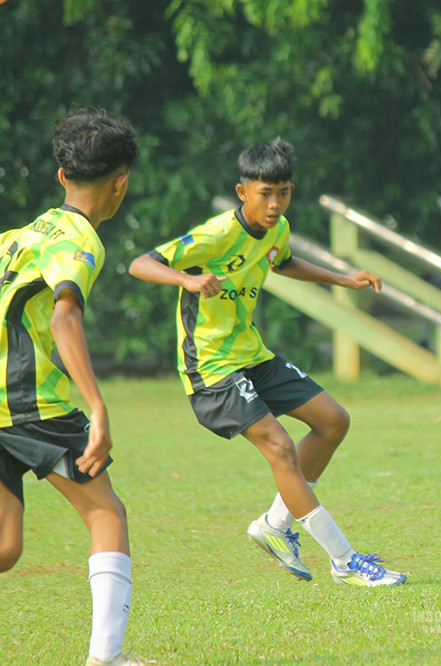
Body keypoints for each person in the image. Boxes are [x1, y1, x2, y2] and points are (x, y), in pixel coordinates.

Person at [128, 138, 404, 587]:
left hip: (252, 355)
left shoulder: (278, 228)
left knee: (333, 421)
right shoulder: (216, 234)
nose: (275, 204)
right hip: (212, 368)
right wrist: (187, 279)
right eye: (265, 194)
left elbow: (283, 263)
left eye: (284, 193)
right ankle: (344, 561)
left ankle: (275, 526)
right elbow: (140, 264)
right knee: (279, 447)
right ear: (243, 193)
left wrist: (342, 278)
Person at [0, 108, 149, 665]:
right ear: (121, 182)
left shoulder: (19, 235)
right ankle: (106, 657)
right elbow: (65, 318)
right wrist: (97, 406)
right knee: (105, 512)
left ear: (62, 177)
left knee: (6, 548)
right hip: (28, 400)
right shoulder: (79, 241)